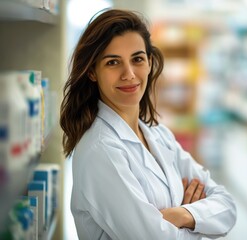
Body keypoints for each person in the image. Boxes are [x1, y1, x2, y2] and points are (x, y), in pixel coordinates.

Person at [60, 8, 236, 240]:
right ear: (93, 71)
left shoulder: (158, 134)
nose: (129, 73)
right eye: (113, 62)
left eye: (137, 59)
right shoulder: (100, 151)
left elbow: (227, 207)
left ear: (150, 62)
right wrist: (200, 221)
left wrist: (181, 215)